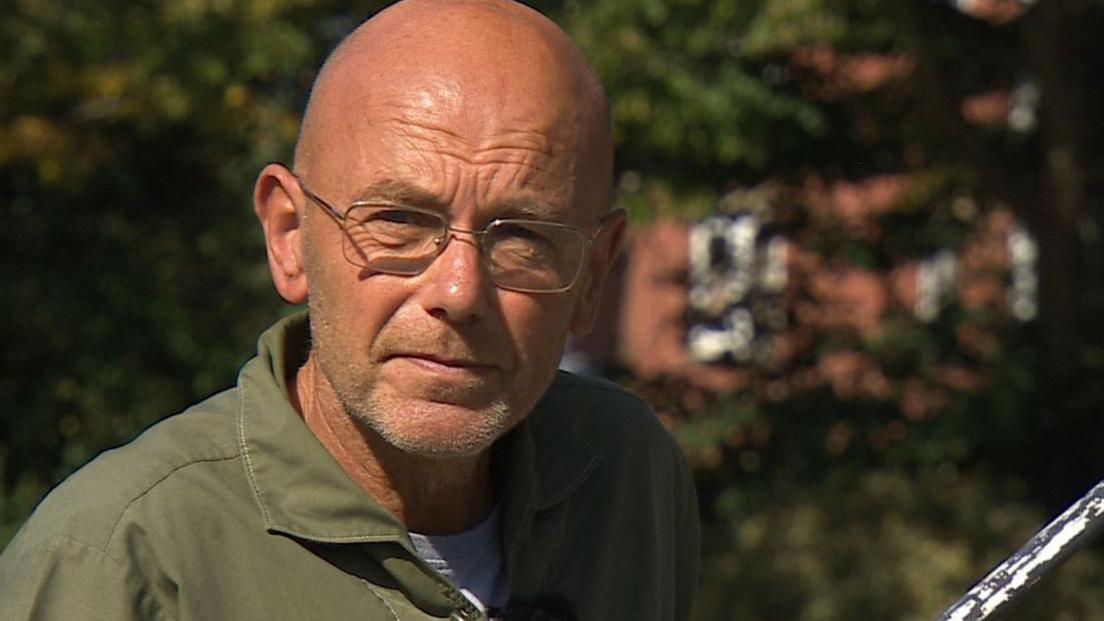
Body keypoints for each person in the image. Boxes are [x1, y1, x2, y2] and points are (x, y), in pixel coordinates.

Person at [0, 0, 699, 618]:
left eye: (520, 236)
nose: (457, 291)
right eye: (398, 219)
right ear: (289, 237)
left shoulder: (624, 480)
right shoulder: (131, 560)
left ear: (593, 274)